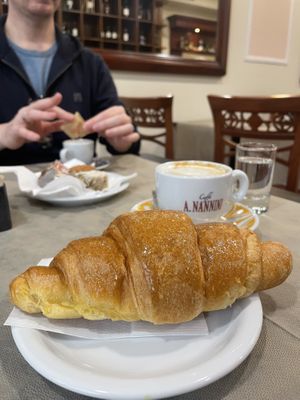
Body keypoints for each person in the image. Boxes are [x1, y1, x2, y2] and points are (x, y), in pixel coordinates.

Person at [0, 0, 140, 165]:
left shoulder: (90, 64)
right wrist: (4, 134)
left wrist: (122, 141)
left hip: (83, 187)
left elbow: (127, 143)